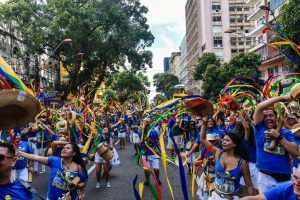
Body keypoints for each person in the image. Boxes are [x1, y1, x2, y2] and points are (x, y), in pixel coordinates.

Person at [194, 117, 254, 199]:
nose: (224, 142)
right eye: (223, 140)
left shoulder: (242, 163)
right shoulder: (218, 153)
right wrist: (204, 122)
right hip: (215, 196)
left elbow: (249, 185)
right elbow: (203, 140)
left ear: (234, 144)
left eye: (227, 140)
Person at [253, 94, 298, 193]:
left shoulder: (286, 133)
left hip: (285, 179)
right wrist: (284, 98)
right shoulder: (259, 129)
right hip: (266, 178)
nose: (268, 118)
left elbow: (295, 152)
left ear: (276, 117)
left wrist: (279, 137)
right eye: (265, 116)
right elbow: (259, 107)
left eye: (270, 115)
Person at [19, 142, 88, 200]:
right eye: (63, 148)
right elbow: (36, 157)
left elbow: (83, 182)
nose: (64, 149)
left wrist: (76, 185)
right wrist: (20, 153)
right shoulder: (54, 160)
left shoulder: (78, 167)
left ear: (74, 153)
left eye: (68, 148)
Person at [141, 117, 161, 186]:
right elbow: (157, 140)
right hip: (154, 152)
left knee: (147, 168)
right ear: (149, 123)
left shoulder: (140, 131)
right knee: (156, 168)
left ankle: (147, 180)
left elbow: (141, 141)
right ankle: (157, 180)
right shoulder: (154, 131)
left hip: (145, 153)